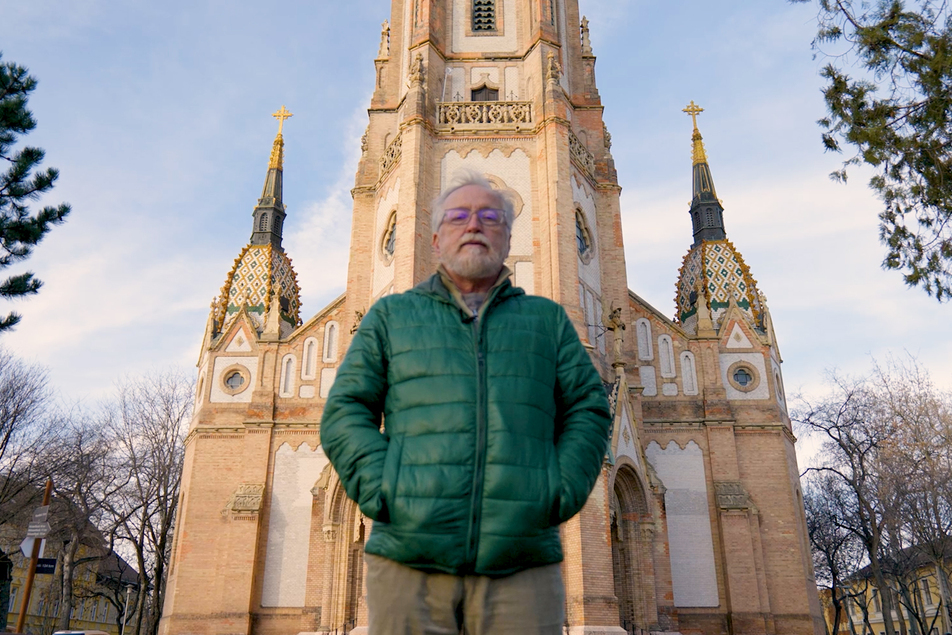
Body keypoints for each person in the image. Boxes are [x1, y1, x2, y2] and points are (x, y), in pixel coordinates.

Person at [320, 170, 611, 635]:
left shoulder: (548, 320)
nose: (474, 225)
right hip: (409, 564)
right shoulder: (391, 315)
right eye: (458, 216)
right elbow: (344, 411)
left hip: (521, 566)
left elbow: (589, 409)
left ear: (509, 236)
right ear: (434, 238)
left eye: (490, 216)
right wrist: (385, 488)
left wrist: (557, 492)